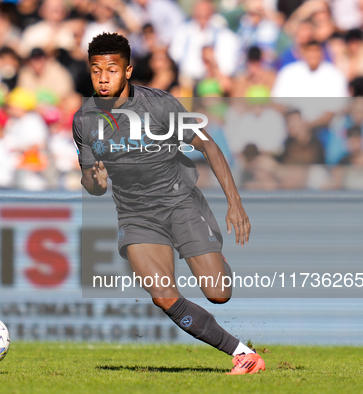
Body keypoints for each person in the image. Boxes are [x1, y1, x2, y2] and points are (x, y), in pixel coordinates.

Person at [73, 32, 265, 375]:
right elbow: (92, 183)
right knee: (163, 297)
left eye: (111, 70)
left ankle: (210, 254)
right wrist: (94, 182)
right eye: (96, 70)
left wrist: (234, 203)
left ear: (128, 71)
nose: (103, 78)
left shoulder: (159, 105)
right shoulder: (85, 120)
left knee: (218, 294)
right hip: (135, 215)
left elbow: (209, 146)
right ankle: (243, 354)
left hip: (180, 202)